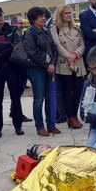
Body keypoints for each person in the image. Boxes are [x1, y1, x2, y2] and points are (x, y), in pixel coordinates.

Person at [0, 6, 24, 139]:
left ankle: (18, 126)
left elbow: (16, 45)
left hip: (12, 67)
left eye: (0, 15)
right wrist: (7, 43)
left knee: (15, 97)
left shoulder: (11, 29)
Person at [23, 7, 60, 136]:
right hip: (36, 70)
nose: (44, 18)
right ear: (33, 19)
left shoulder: (46, 31)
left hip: (49, 68)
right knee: (39, 99)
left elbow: (54, 49)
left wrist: (53, 64)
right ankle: (39, 127)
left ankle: (51, 125)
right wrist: (46, 65)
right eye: (40, 16)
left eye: (44, 16)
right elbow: (32, 53)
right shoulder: (29, 33)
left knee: (50, 98)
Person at [50, 5, 86, 129]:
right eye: (66, 13)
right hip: (64, 65)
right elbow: (57, 45)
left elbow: (82, 45)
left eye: (70, 13)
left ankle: (75, 116)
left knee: (77, 92)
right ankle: (70, 117)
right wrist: (69, 56)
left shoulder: (77, 28)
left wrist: (76, 54)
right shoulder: (55, 29)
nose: (69, 15)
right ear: (60, 15)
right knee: (67, 92)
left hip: (78, 64)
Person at [9, 15, 32, 123]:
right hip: (15, 67)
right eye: (20, 23)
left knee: (20, 91)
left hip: (23, 66)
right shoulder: (12, 34)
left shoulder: (23, 34)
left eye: (23, 23)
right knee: (16, 92)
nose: (22, 25)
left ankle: (14, 111)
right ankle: (16, 113)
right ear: (13, 24)